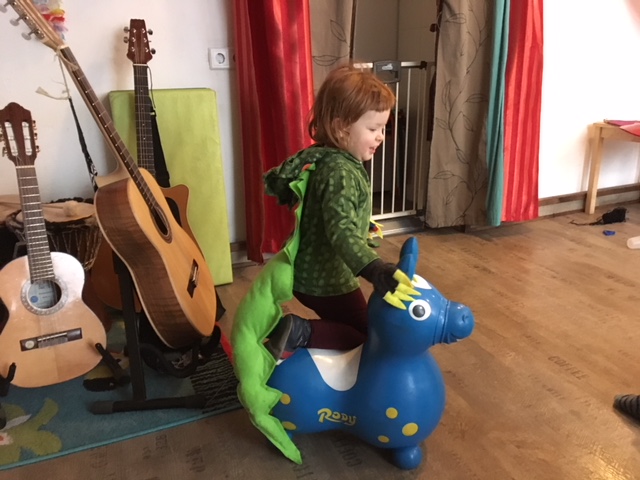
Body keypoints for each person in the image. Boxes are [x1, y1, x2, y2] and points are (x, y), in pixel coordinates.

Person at [263, 64, 410, 359]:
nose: (381, 136)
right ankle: (299, 331)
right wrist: (373, 268)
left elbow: (335, 214)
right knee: (367, 334)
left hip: (315, 273)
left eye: (383, 128)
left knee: (355, 326)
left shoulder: (330, 159)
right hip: (325, 280)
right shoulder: (340, 171)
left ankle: (303, 336)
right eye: (373, 129)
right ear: (343, 127)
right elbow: (340, 230)